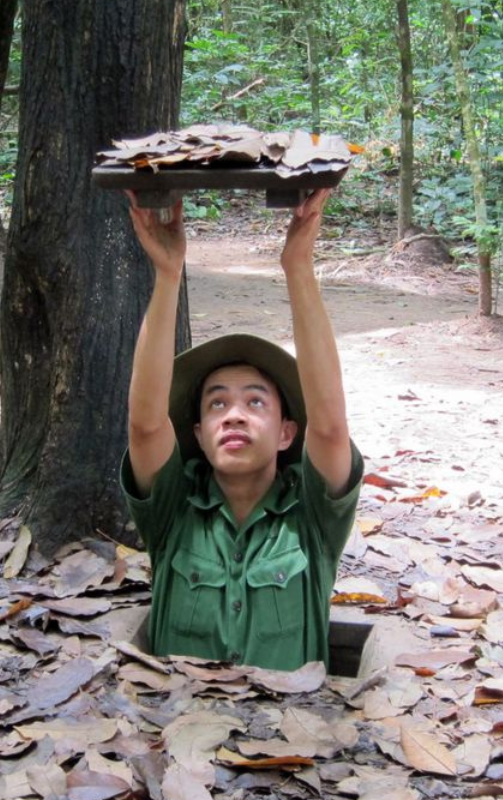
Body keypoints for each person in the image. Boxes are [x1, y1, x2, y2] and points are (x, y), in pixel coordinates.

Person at [121, 188, 363, 672]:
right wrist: (168, 277)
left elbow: (332, 426)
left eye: (256, 401)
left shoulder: (313, 519)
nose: (234, 414)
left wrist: (298, 266)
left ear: (287, 433)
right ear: (198, 431)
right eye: (217, 404)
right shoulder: (174, 511)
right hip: (180, 729)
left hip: (290, 736)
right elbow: (146, 426)